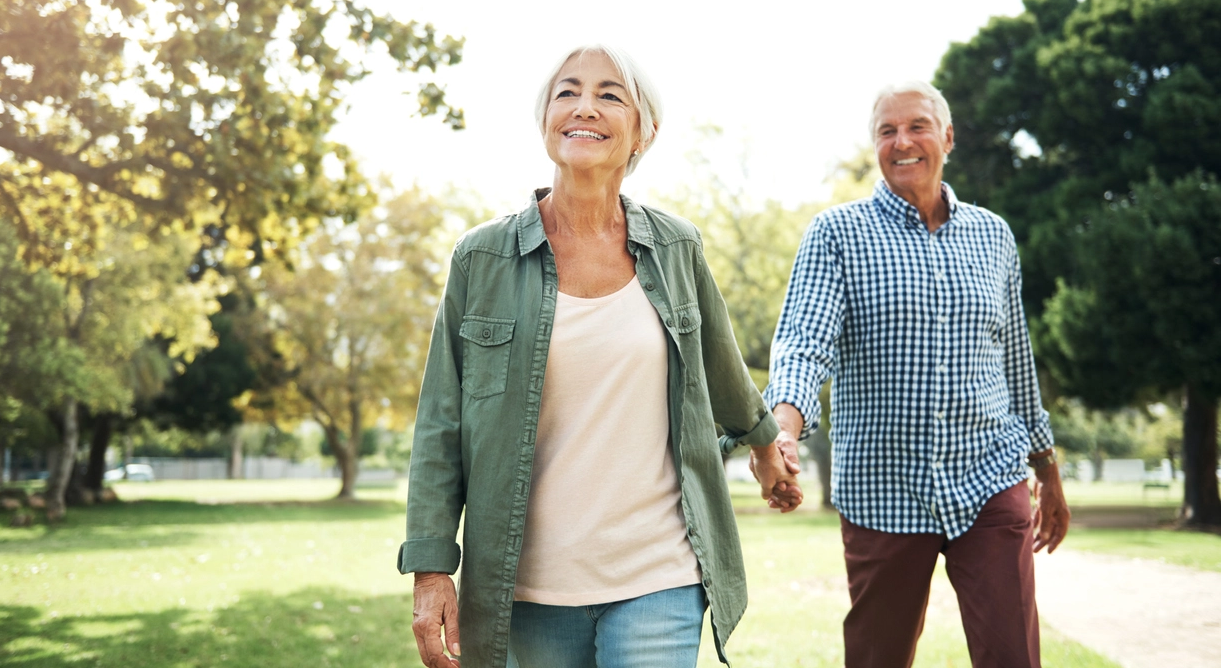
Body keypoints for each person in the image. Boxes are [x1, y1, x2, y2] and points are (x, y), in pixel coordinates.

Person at [399, 44, 802, 668]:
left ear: (644, 131)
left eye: (610, 94)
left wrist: (766, 445)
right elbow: (439, 427)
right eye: (568, 91)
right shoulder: (480, 259)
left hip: (658, 574)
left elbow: (721, 370)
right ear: (546, 121)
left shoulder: (677, 249)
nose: (585, 106)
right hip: (523, 588)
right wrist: (430, 570)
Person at [760, 81, 1071, 668]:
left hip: (989, 476)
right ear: (875, 145)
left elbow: (1016, 364)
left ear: (947, 138)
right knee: (879, 656)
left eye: (917, 126)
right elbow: (803, 344)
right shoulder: (837, 235)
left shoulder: (993, 236)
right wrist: (785, 428)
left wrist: (1046, 468)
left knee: (1012, 654)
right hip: (883, 488)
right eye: (887, 131)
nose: (902, 141)